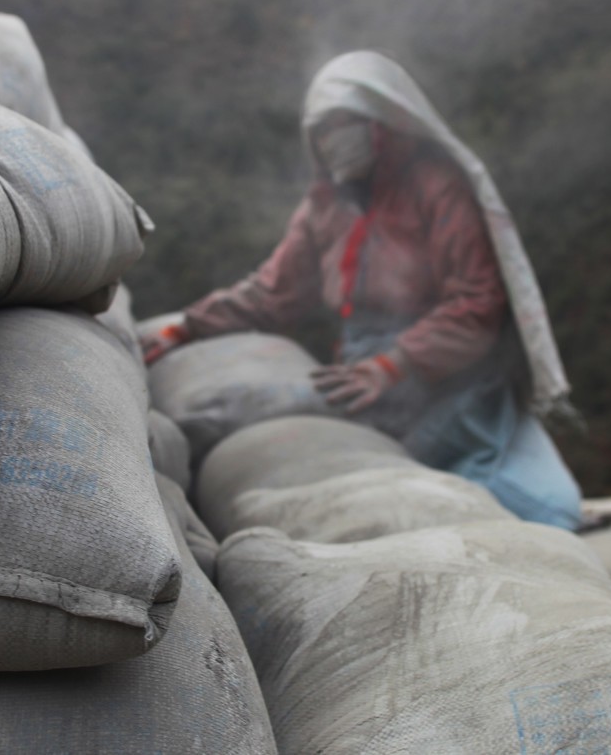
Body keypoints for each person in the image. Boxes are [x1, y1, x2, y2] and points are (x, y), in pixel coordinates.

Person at [142, 51, 582, 530]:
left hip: (450, 383)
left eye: (342, 124)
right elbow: (273, 292)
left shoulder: (436, 187)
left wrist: (394, 364)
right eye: (321, 130)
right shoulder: (325, 205)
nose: (333, 141)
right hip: (365, 371)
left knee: (543, 510)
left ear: (383, 122)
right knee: (234, 415)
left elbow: (477, 303)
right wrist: (185, 328)